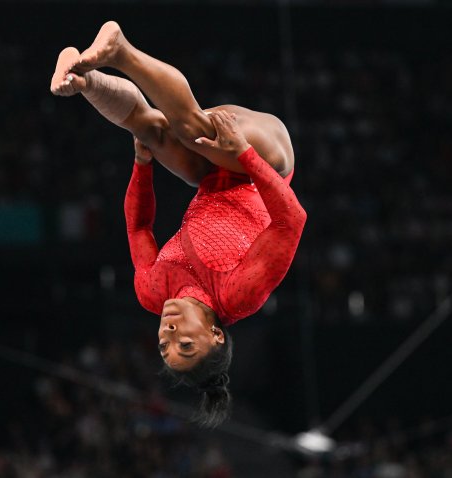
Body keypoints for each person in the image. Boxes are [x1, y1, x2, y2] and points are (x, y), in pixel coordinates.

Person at [50, 21, 306, 427]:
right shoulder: (238, 296)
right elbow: (291, 220)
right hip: (268, 163)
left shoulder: (152, 293)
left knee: (150, 130)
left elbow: (138, 228)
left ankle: (83, 79)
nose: (168, 332)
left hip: (209, 174)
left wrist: (142, 164)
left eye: (163, 343)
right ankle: (120, 50)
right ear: (216, 335)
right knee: (188, 130)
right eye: (185, 343)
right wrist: (246, 155)